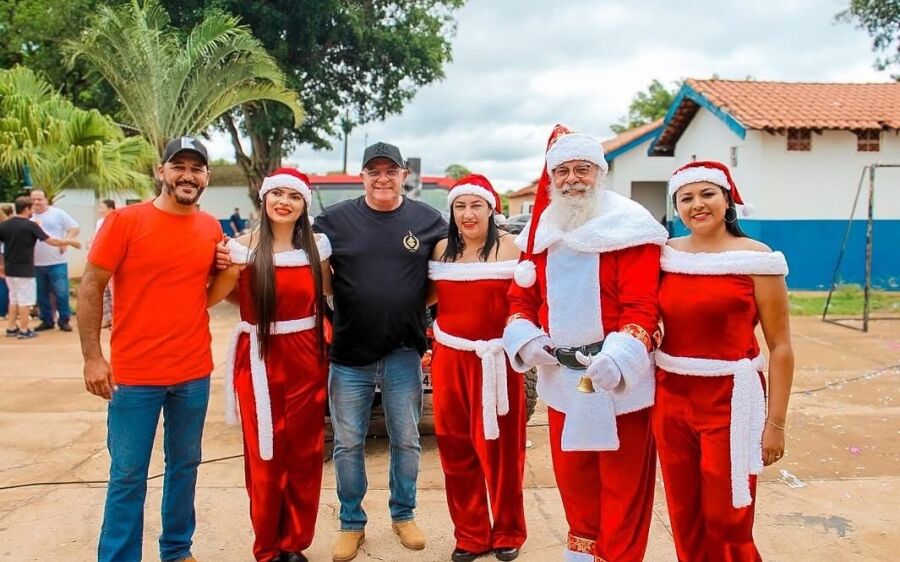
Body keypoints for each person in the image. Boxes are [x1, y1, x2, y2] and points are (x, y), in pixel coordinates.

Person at [502, 126, 668, 562]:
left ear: (600, 172)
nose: (572, 179)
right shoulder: (541, 230)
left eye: (582, 170)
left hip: (618, 381)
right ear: (552, 178)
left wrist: (619, 357)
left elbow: (642, 305)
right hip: (561, 379)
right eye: (563, 171)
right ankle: (583, 554)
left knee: (623, 483)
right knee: (574, 478)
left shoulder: (629, 225)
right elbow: (521, 296)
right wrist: (527, 337)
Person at [77, 136, 221, 562]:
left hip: (193, 372)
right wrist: (92, 357)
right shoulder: (124, 222)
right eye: (179, 166)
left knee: (185, 466)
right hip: (135, 377)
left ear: (206, 177)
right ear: (162, 172)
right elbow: (90, 287)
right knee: (127, 474)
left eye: (196, 169)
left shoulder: (211, 227)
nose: (187, 175)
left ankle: (177, 549)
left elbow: (206, 293)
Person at [653, 161, 794, 561]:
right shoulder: (665, 256)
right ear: (677, 206)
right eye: (686, 198)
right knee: (684, 512)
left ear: (727, 199)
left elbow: (781, 346)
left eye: (707, 194)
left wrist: (776, 424)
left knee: (728, 515)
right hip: (672, 398)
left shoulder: (757, 259)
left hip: (733, 400)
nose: (697, 205)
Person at [311, 142, 445, 561]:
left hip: (404, 352)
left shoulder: (428, 220)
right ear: (362, 176)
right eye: (374, 171)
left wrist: (405, 305)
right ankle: (352, 523)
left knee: (406, 440)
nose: (383, 178)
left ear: (404, 174)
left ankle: (403, 514)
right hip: (350, 353)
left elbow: (440, 278)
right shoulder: (333, 220)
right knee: (348, 444)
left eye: (391, 171)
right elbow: (320, 274)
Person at [208, 168, 332, 562]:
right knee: (264, 456)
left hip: (307, 358)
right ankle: (267, 546)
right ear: (264, 199)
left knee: (305, 454)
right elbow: (214, 297)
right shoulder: (240, 249)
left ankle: (295, 542)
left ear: (303, 205)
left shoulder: (317, 251)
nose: (284, 202)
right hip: (259, 359)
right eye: (276, 194)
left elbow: (330, 293)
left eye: (293, 196)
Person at [427, 174, 526, 562]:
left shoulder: (512, 249)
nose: (468, 214)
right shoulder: (439, 251)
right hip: (450, 360)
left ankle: (508, 531)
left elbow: (529, 301)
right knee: (455, 448)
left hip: (498, 363)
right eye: (460, 206)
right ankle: (470, 534)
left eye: (476, 205)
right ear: (451, 211)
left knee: (503, 452)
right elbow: (425, 299)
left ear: (491, 208)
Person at [0, 196, 81, 339]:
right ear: (26, 209)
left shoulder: (5, 225)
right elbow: (51, 240)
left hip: (10, 269)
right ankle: (24, 330)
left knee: (13, 299)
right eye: (31, 208)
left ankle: (11, 327)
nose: (33, 210)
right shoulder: (30, 225)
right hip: (25, 269)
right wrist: (70, 242)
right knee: (25, 301)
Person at [30, 188, 80, 332]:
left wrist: (66, 241)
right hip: (37, 262)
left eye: (39, 199)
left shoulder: (57, 213)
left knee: (61, 292)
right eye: (33, 199)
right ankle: (47, 320)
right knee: (41, 293)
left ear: (46, 199)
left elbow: (75, 228)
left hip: (57, 261)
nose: (36, 202)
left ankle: (64, 320)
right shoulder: (29, 216)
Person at [95, 199, 116, 328]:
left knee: (114, 291)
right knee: (104, 292)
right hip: (102, 262)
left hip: (113, 261)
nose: (99, 210)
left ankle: (115, 319)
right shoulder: (99, 222)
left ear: (111, 208)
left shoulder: (117, 220)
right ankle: (107, 319)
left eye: (102, 207)